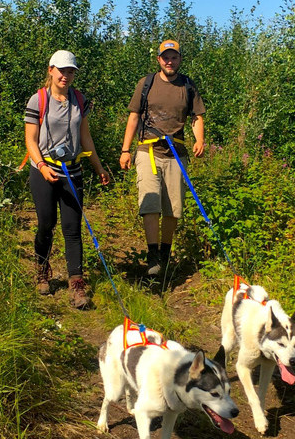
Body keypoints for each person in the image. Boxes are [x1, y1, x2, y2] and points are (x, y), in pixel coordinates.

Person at [24, 50, 110, 309]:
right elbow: (30, 139)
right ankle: (42, 271)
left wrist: (99, 167)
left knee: (72, 230)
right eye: (61, 70)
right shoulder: (38, 100)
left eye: (70, 71)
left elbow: (85, 136)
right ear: (50, 70)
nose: (65, 75)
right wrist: (41, 166)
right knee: (46, 225)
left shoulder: (79, 100)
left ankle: (77, 285)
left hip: (73, 171)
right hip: (44, 171)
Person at [119, 40, 206, 276]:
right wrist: (125, 150)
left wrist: (200, 140)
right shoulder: (146, 83)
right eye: (165, 57)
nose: (170, 61)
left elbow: (197, 117)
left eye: (174, 57)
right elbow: (134, 116)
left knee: (173, 208)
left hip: (177, 153)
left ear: (179, 59)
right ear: (158, 59)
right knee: (150, 203)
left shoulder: (187, 85)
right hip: (148, 150)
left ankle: (166, 253)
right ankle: (153, 254)